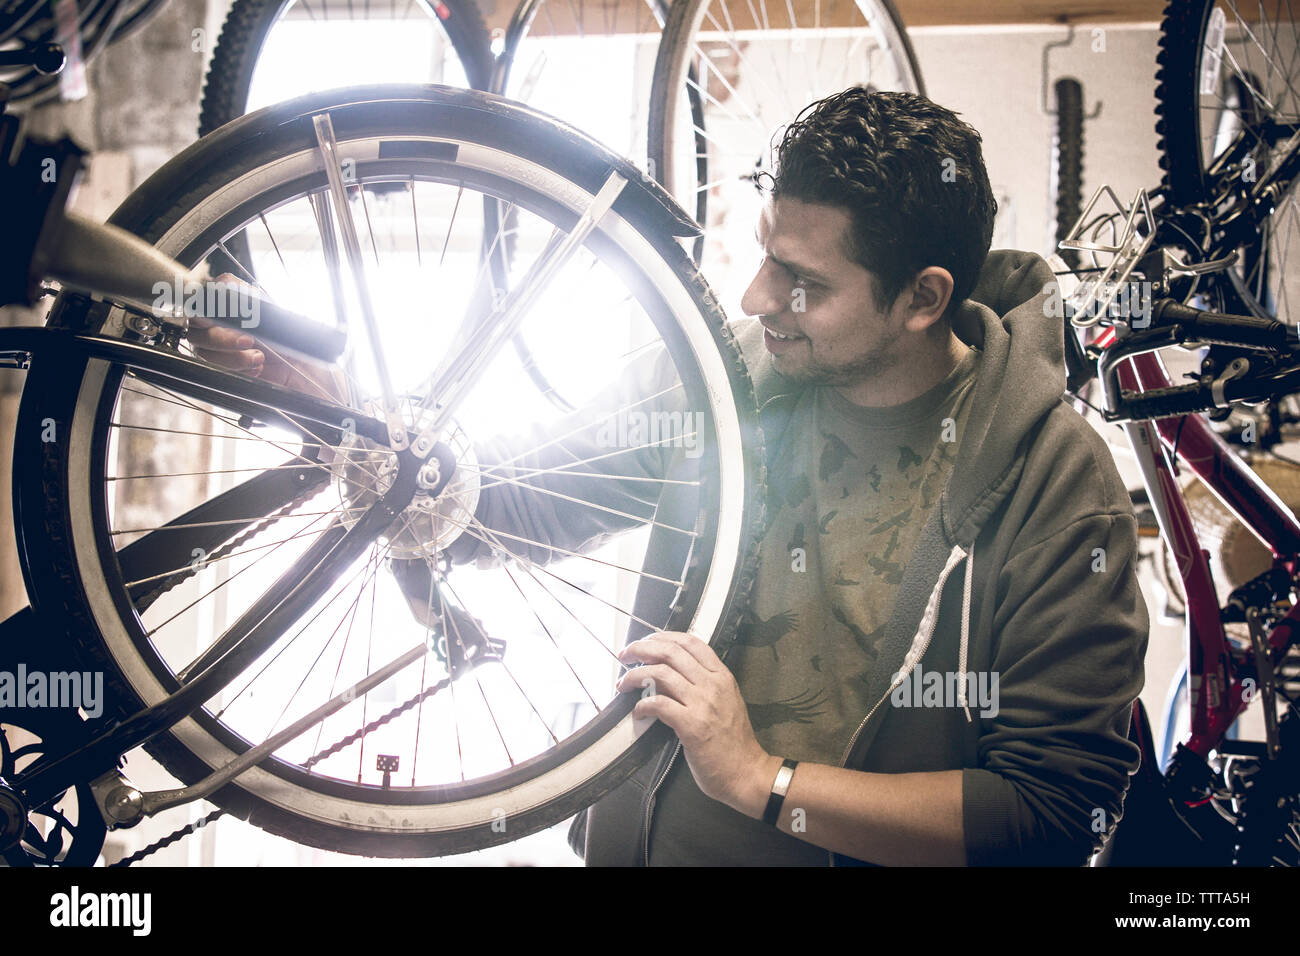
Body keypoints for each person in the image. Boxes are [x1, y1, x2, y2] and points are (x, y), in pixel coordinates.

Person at [193, 87, 1150, 867]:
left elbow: (1050, 814)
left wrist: (759, 780)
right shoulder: (723, 377)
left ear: (922, 298)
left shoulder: (1055, 483)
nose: (755, 298)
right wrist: (340, 416)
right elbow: (515, 502)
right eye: (764, 255)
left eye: (800, 281)